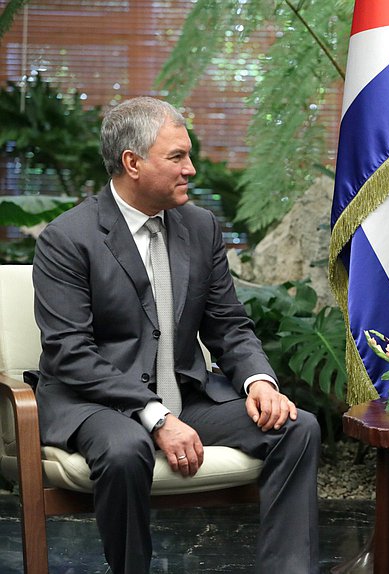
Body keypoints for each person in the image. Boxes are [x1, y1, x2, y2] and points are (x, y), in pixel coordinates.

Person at [32, 96, 320, 573]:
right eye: (177, 157)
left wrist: (259, 382)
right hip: (96, 403)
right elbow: (71, 355)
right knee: (126, 449)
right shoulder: (68, 238)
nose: (191, 169)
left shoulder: (200, 226)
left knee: (297, 428)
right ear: (133, 163)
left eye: (189, 156)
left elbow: (228, 323)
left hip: (187, 395)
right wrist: (157, 418)